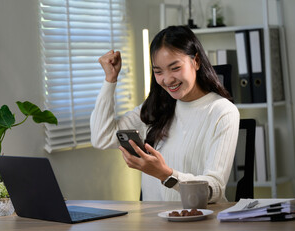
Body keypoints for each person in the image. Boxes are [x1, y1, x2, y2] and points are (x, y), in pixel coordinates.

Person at [91, 25, 239, 203]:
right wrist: (110, 80)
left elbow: (214, 189)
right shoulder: (156, 107)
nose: (167, 80)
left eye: (175, 68)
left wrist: (166, 175)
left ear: (196, 61)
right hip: (154, 223)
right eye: (158, 71)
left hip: (200, 222)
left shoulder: (222, 112)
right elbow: (101, 137)